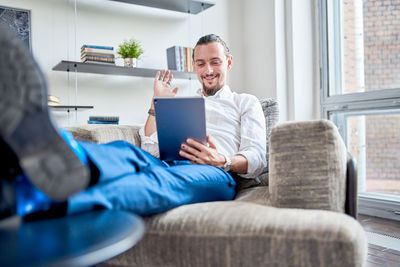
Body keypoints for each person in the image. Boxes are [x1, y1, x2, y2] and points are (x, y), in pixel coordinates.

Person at [0, 28, 266, 219]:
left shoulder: (245, 102)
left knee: (158, 179)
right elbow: (150, 148)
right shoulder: (184, 104)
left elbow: (257, 156)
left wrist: (223, 161)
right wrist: (156, 105)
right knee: (125, 152)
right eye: (201, 64)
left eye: (215, 62)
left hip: (216, 174)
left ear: (228, 62)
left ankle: (52, 201)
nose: (208, 70)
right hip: (168, 161)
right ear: (194, 67)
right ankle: (42, 159)